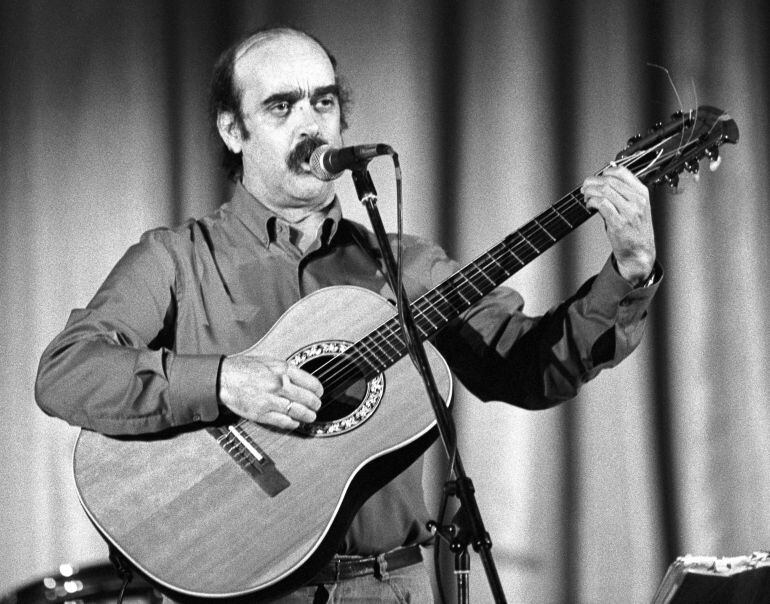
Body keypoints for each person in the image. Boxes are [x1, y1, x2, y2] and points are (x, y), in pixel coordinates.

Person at [35, 25, 660, 603]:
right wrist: (223, 380)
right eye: (281, 107)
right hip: (241, 593)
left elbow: (525, 371)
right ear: (233, 130)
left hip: (390, 589)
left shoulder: (406, 266)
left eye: (324, 103)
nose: (312, 125)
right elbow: (66, 371)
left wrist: (626, 275)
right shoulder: (176, 258)